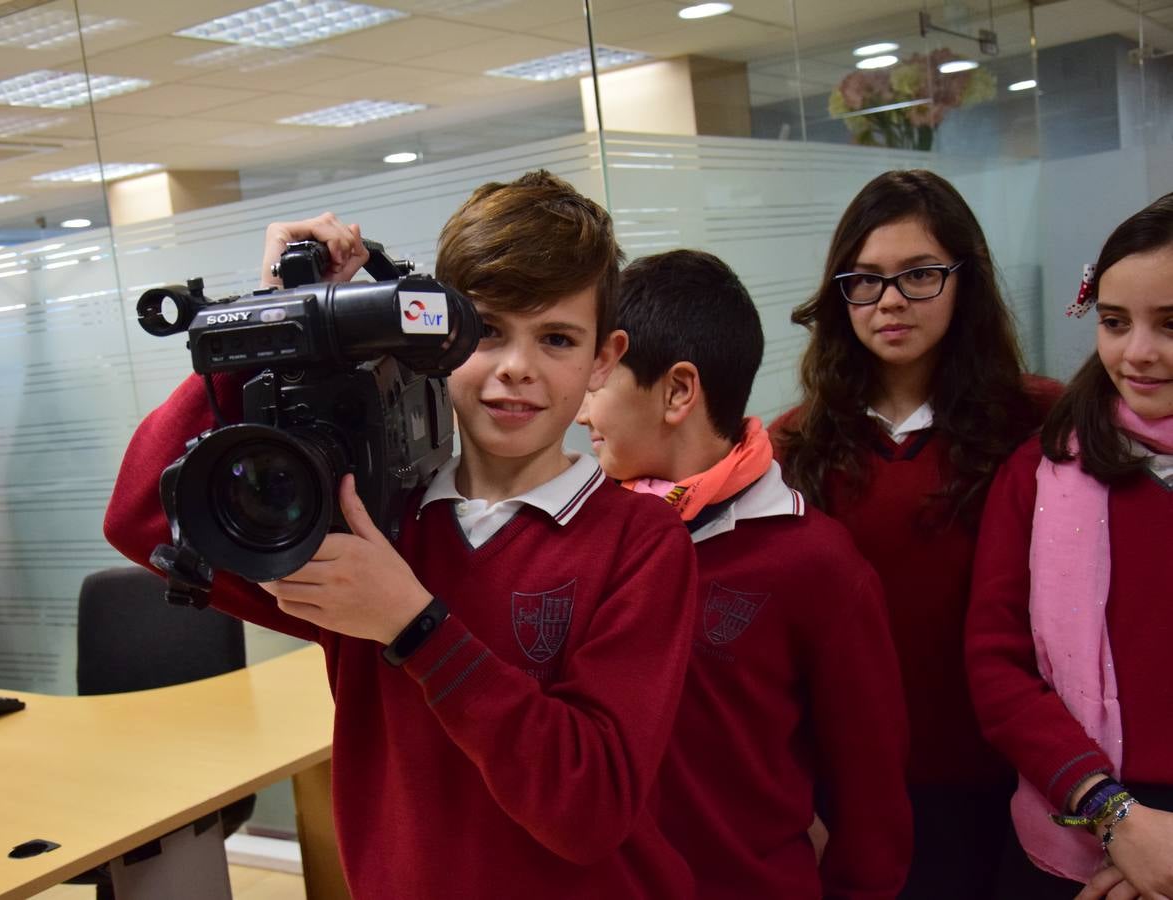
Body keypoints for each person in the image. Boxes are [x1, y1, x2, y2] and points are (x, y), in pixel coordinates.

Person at [103, 172, 701, 899]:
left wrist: (413, 626)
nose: (517, 368)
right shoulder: (367, 520)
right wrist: (274, 324)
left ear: (603, 359)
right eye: (486, 330)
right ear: (437, 338)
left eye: (556, 339)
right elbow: (141, 515)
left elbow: (588, 810)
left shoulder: (639, 542)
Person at [578, 249, 912, 898]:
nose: (579, 412)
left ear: (677, 391)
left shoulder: (812, 563)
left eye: (597, 380)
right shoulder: (585, 538)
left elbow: (871, 803)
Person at [770, 169, 1061, 898]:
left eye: (919, 275)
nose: (890, 301)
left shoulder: (1041, 421)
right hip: (850, 791)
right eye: (864, 280)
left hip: (1018, 781)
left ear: (966, 279)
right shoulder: (793, 443)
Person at [966, 193, 1173, 900]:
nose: (1137, 352)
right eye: (1114, 323)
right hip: (1073, 814)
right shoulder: (1041, 468)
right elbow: (996, 665)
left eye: (1171, 325)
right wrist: (1117, 819)